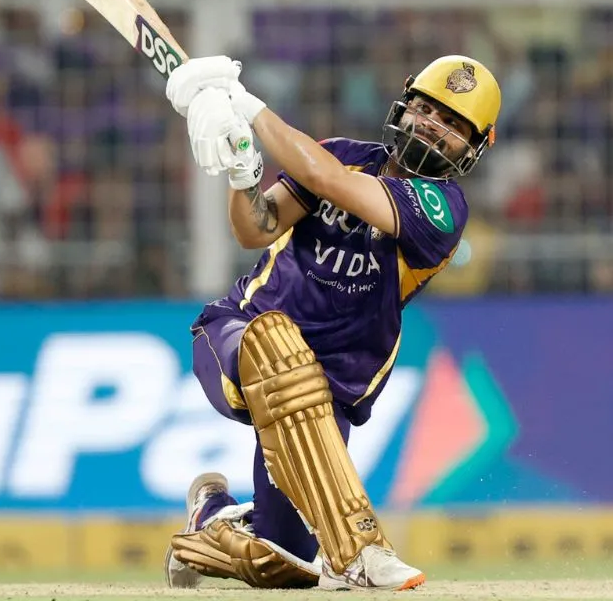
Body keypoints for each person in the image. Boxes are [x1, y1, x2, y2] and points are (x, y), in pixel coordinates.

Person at [161, 55, 500, 591]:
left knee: (285, 564)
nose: (433, 126)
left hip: (331, 386)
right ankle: (361, 549)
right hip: (242, 332)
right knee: (280, 349)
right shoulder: (344, 154)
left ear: (475, 146)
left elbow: (327, 179)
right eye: (428, 108)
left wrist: (246, 106)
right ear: (404, 105)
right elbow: (256, 229)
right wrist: (243, 171)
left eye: (454, 124)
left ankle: (213, 518)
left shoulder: (442, 209)